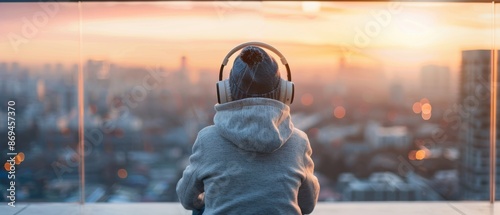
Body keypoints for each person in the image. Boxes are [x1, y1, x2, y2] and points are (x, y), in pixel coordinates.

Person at [176, 45, 320, 215]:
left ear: (225, 92)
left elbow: (187, 198)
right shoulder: (299, 141)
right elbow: (307, 205)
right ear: (284, 92)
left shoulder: (207, 139)